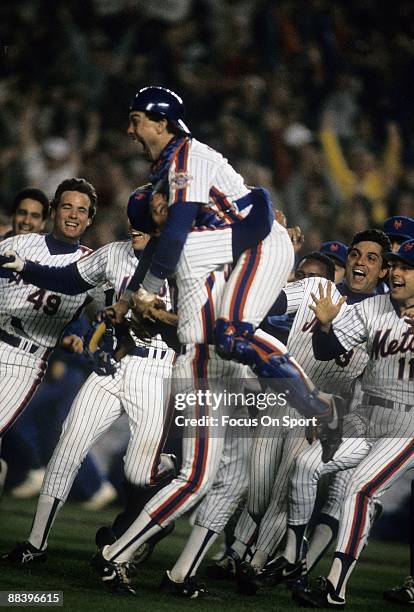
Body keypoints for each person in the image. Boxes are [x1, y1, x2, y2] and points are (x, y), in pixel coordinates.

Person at [220, 229, 390, 593]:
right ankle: (257, 552)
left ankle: (257, 562)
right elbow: (275, 300)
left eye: (371, 258)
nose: (360, 262)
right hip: (282, 395)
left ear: (383, 270)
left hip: (320, 408)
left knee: (284, 488)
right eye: (356, 254)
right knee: (259, 493)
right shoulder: (318, 289)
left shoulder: (384, 315)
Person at [2, 222, 177, 575]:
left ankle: (164, 483)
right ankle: (36, 544)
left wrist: (161, 318)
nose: (136, 224)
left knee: (139, 472)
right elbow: (68, 279)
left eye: (147, 219)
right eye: (134, 216)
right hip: (113, 364)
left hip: (157, 370)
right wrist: (24, 267)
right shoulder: (113, 253)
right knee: (68, 444)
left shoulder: (184, 261)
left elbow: (197, 323)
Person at [276, 238, 414, 608]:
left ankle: (334, 587)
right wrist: (323, 327)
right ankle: (294, 558)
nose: (399, 273)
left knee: (359, 488)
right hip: (364, 416)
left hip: (407, 425)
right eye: (396, 265)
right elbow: (327, 350)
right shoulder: (374, 306)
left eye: (408, 268)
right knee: (305, 466)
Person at [0, 177, 96, 498]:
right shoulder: (22, 243)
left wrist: (81, 337)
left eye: (82, 210)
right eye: (67, 206)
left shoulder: (93, 264)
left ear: (90, 218)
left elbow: (98, 314)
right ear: (53, 210)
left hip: (25, 359)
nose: (73, 214)